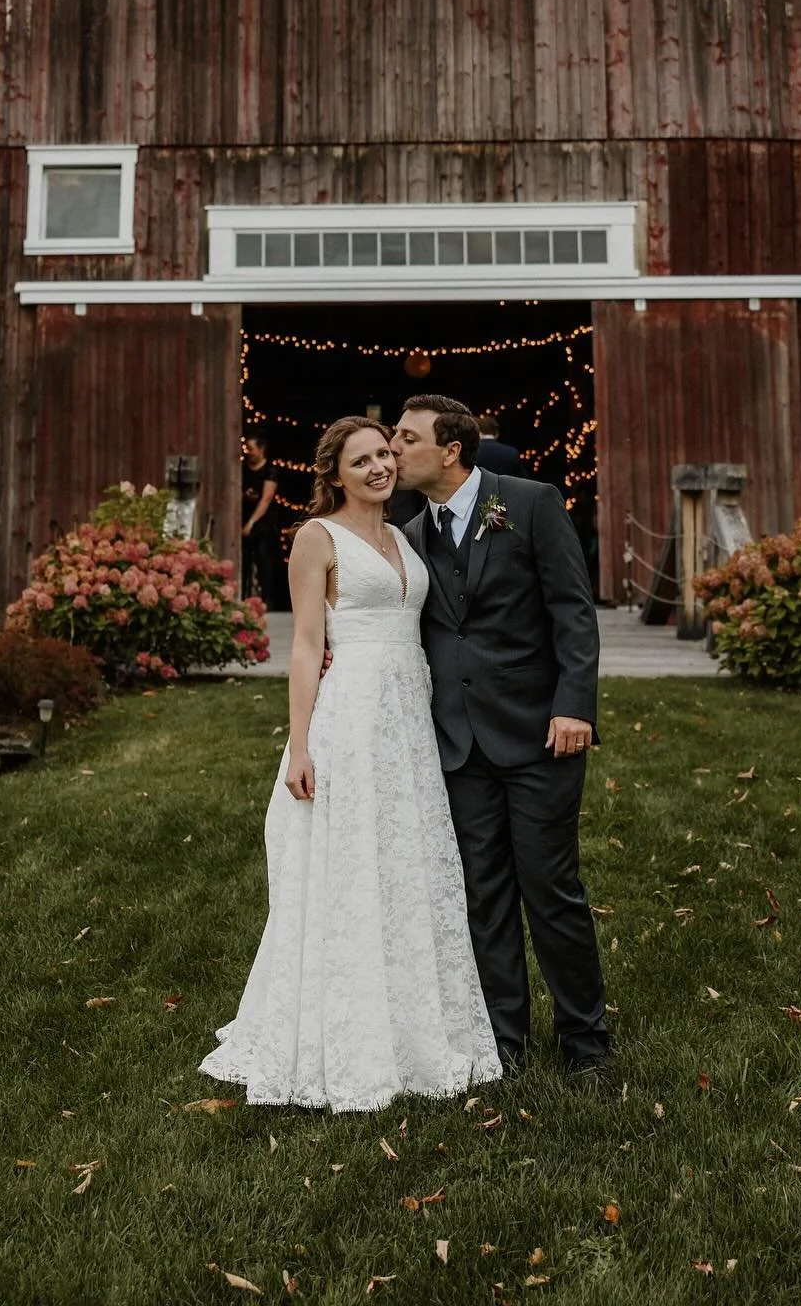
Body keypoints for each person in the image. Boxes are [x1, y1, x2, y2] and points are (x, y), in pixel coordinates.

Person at [200, 416, 501, 1111]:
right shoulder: (316, 537)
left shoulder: (404, 534)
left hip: (408, 721)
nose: (378, 468)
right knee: (352, 866)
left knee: (405, 865)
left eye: (384, 456)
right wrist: (299, 744)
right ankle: (345, 1032)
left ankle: (416, 1023)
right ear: (335, 474)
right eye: (361, 461)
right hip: (352, 720)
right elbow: (307, 645)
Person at [393, 394, 608, 1083]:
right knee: (482, 898)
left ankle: (585, 1042)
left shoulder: (531, 502)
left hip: (542, 734)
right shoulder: (407, 529)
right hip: (457, 744)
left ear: (450, 449)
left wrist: (574, 705)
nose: (393, 450)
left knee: (551, 890)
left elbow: (572, 610)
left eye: (405, 438)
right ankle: (502, 1044)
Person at [241, 432, 289, 611]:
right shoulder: (243, 468)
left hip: (263, 522)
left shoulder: (270, 470)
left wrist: (251, 523)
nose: (248, 452)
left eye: (251, 448)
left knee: (264, 559)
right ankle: (243, 595)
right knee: (244, 559)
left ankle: (268, 599)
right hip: (244, 517)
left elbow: (266, 498)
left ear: (261, 449)